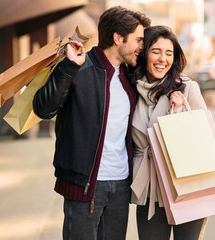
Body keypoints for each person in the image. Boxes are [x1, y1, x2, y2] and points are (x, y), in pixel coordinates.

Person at [32, 6, 150, 240]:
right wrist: (68, 67)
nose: (141, 47)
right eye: (138, 39)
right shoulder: (79, 66)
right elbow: (43, 109)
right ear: (118, 38)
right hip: (86, 186)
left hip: (120, 185)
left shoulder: (130, 76)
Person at [129, 25, 208, 240]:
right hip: (149, 188)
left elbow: (204, 138)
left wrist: (181, 112)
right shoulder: (130, 89)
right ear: (144, 53)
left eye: (169, 53)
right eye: (156, 51)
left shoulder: (186, 88)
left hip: (185, 185)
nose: (162, 59)